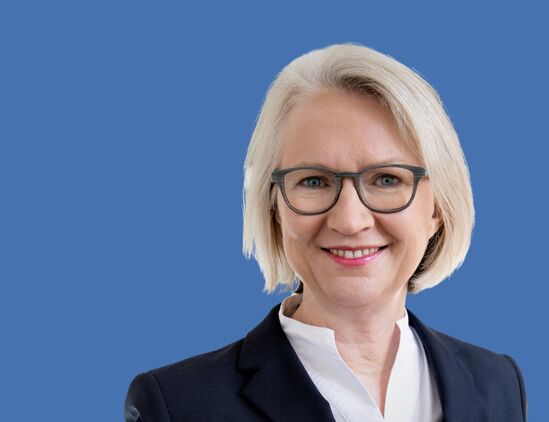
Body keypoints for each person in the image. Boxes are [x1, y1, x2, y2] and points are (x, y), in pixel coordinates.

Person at [125, 43, 527, 422]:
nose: (349, 221)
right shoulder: (177, 405)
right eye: (314, 181)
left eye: (387, 179)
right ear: (274, 207)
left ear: (437, 207)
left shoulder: (497, 383)